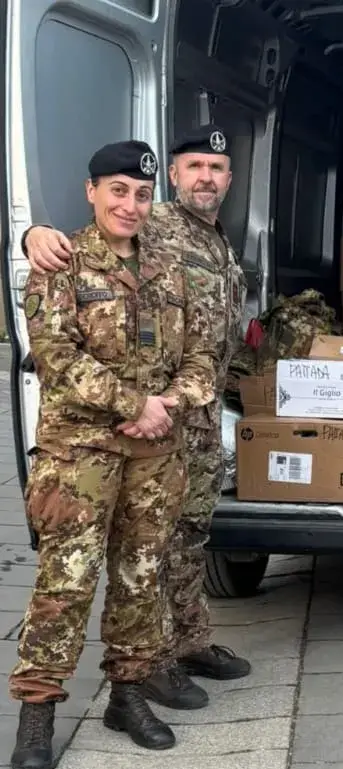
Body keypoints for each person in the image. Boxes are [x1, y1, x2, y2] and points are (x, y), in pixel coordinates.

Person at [22, 127, 255, 713]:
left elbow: (202, 340)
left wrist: (173, 403)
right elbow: (84, 252)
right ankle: (122, 676)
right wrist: (33, 232)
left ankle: (176, 648)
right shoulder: (151, 226)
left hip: (182, 422)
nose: (207, 176)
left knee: (173, 544)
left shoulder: (213, 241)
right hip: (103, 436)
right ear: (174, 177)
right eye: (195, 165)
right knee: (82, 573)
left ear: (229, 178)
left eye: (218, 167)